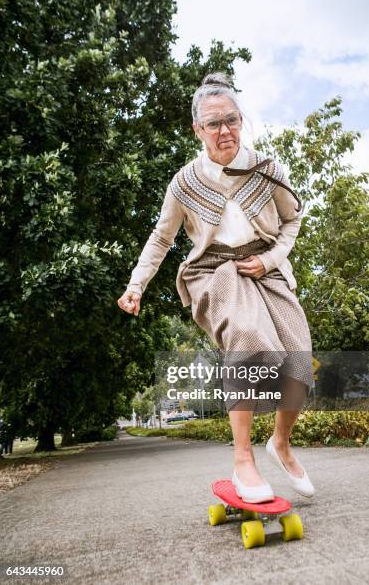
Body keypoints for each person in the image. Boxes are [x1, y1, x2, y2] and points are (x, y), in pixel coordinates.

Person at [117, 72, 315, 502]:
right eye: (213, 123)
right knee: (246, 335)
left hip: (264, 265)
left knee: (299, 357)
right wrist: (137, 285)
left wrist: (270, 259)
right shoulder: (184, 182)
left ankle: (280, 443)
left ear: (241, 119)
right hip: (214, 271)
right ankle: (243, 459)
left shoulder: (266, 169)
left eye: (231, 120)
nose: (224, 130)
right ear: (197, 129)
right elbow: (161, 238)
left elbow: (293, 218)